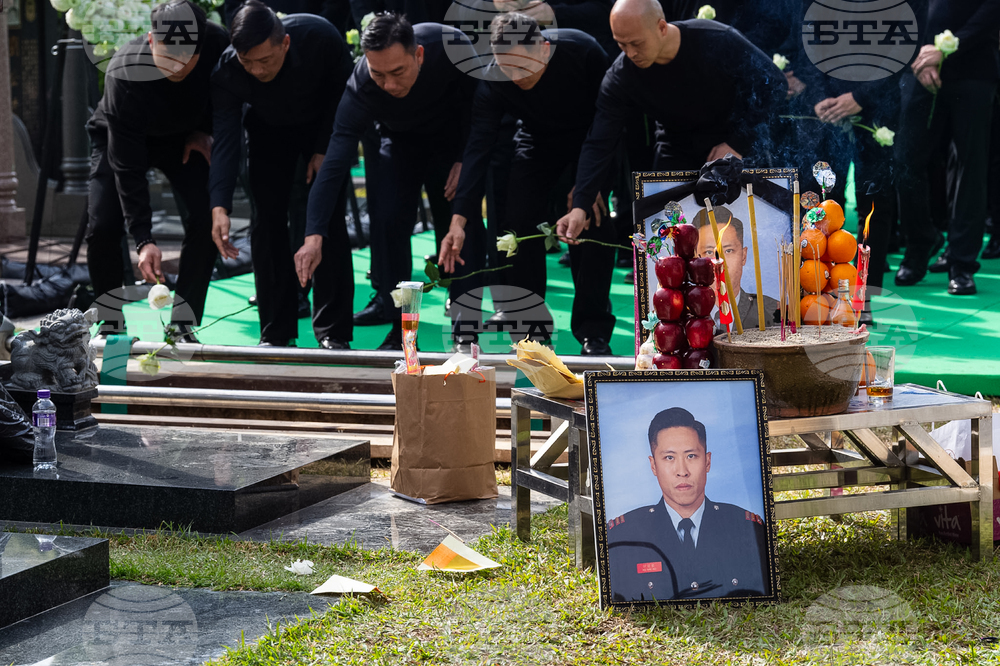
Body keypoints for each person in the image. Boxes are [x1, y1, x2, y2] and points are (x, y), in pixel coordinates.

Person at [299, 13, 484, 351]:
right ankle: (403, 330)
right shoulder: (361, 84)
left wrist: (464, 159)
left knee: (461, 221)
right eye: (379, 74)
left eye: (398, 72)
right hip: (400, 142)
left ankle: (466, 327)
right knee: (386, 219)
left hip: (456, 140)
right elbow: (336, 158)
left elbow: (484, 113)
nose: (390, 85)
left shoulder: (453, 46)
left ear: (419, 55)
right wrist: (314, 236)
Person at [440, 13, 616, 355]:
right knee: (518, 223)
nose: (515, 77)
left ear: (544, 50)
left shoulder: (584, 52)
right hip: (536, 143)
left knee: (592, 224)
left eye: (523, 67)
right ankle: (530, 328)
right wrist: (458, 221)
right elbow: (479, 148)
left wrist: (590, 186)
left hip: (590, 143)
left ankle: (593, 330)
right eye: (508, 69)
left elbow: (610, 123)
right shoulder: (492, 77)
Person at [555, 0, 786, 242]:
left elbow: (773, 85)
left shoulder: (716, 38)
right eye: (621, 45)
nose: (631, 53)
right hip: (677, 146)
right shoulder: (621, 75)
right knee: (665, 233)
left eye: (637, 43)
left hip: (736, 140)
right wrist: (580, 205)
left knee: (743, 234)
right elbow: (600, 139)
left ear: (662, 28)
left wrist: (738, 142)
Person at [209, 0, 355, 347]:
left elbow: (346, 98)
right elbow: (226, 139)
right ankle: (276, 331)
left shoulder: (320, 37)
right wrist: (220, 204)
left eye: (265, 60)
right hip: (269, 133)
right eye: (249, 62)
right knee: (267, 222)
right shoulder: (228, 71)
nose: (257, 70)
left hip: (324, 127)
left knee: (327, 221)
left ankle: (333, 332)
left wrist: (324, 149)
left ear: (285, 43)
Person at [86, 0, 228, 339]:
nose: (176, 68)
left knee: (207, 215)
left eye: (186, 59)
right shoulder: (124, 71)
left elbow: (228, 99)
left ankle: (183, 324)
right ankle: (110, 325)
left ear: (201, 47)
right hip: (121, 139)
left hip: (184, 137)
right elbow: (127, 166)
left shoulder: (218, 43)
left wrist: (204, 130)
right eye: (167, 57)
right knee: (103, 224)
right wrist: (144, 239)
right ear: (151, 40)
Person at [605, 407, 770, 602]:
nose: (682, 471)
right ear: (653, 465)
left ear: (707, 462)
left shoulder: (746, 528)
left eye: (691, 456)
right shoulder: (624, 535)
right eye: (669, 458)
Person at [894, 0, 1000, 296]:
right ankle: (920, 242)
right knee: (905, 161)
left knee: (969, 166)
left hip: (974, 69)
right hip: (916, 71)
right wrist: (920, 56)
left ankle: (961, 263)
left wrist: (947, 49)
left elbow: (991, 10)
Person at [691, 206, 778, 329]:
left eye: (728, 251)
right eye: (709, 252)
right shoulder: (683, 313)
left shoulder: (771, 311)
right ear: (694, 259)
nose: (720, 263)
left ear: (743, 256)